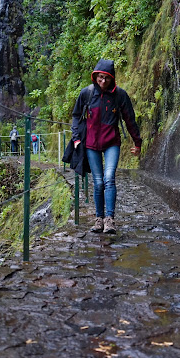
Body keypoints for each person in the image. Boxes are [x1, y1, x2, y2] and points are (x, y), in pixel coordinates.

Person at [71, 59, 142, 234]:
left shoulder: (120, 95)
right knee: (98, 182)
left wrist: (137, 142)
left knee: (109, 178)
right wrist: (76, 138)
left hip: (111, 142)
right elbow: (76, 115)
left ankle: (109, 220)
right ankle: (98, 219)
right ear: (95, 77)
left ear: (112, 79)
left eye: (107, 79)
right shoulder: (86, 93)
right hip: (91, 144)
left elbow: (129, 119)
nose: (103, 82)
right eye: (100, 78)